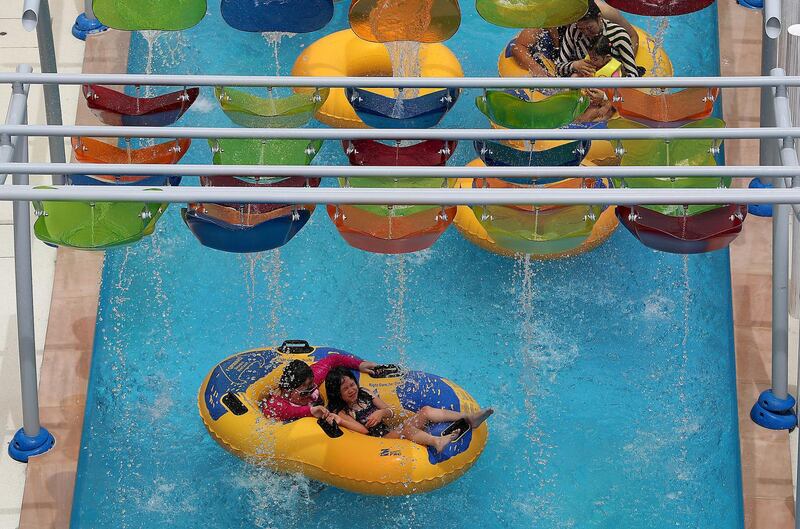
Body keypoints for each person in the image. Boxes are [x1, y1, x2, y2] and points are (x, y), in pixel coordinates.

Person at [324, 366, 494, 453]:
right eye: (345, 389)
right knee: (407, 429)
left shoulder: (366, 393)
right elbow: (363, 431)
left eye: (352, 384)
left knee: (426, 410)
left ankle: (469, 418)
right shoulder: (343, 412)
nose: (351, 390)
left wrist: (381, 412)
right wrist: (341, 421)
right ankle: (437, 441)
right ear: (337, 394)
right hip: (378, 441)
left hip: (389, 431)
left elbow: (390, 410)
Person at [509, 0, 638, 77]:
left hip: (601, 55)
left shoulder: (604, 12)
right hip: (564, 56)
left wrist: (617, 65)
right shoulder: (549, 15)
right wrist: (538, 70)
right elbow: (519, 47)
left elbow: (632, 36)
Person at [261, 355, 378, 423]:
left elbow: (333, 359)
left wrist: (358, 364)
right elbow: (286, 411)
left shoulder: (310, 380)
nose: (311, 394)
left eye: (312, 388)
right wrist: (311, 411)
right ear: (288, 390)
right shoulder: (276, 404)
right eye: (305, 392)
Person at [557, 0, 641, 78]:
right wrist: (574, 65)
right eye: (581, 29)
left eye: (590, 28)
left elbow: (633, 74)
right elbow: (558, 67)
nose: (586, 33)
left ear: (599, 18)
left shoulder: (618, 35)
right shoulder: (574, 30)